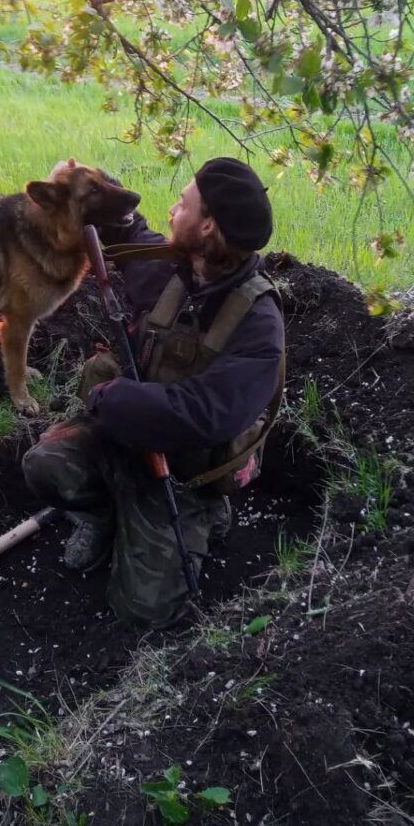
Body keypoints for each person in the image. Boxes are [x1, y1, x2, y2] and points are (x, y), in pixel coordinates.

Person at [22, 157, 285, 628]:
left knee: (146, 610)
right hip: (125, 436)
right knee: (45, 464)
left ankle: (208, 513)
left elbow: (205, 415)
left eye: (182, 204)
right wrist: (86, 184)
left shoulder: (259, 323)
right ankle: (103, 518)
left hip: (182, 472)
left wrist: (112, 398)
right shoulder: (174, 270)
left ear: (207, 226)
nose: (171, 210)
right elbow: (126, 228)